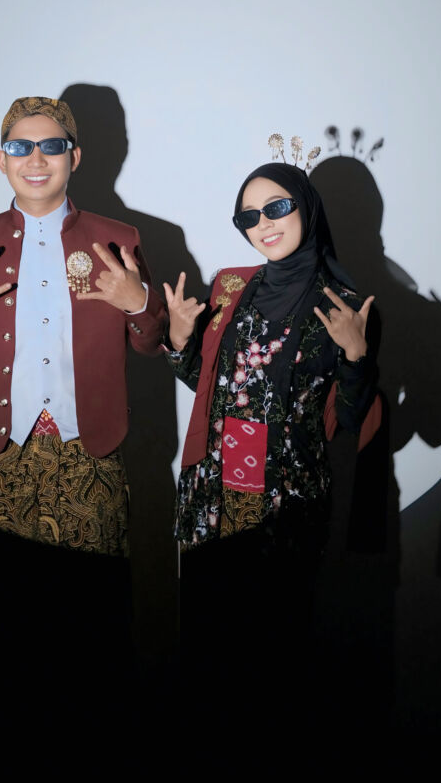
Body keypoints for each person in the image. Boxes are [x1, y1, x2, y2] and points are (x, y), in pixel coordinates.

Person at [0, 96, 167, 714]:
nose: (36, 158)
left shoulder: (118, 238)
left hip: (91, 459)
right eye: (20, 146)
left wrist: (138, 303)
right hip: (2, 462)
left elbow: (152, 340)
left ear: (74, 157)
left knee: (98, 629)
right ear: (2, 159)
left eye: (51, 146)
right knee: (12, 628)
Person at [163, 158, 379, 678]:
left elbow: (351, 420)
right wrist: (178, 341)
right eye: (249, 217)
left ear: (306, 207)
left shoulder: (345, 306)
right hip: (212, 496)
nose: (263, 224)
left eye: (277, 207)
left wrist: (356, 357)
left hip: (284, 501)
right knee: (207, 646)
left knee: (274, 649)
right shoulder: (230, 288)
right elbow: (213, 386)